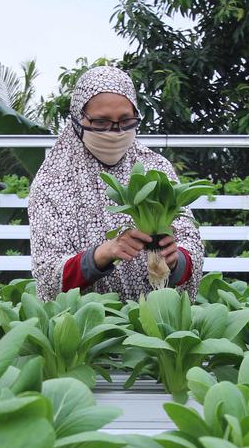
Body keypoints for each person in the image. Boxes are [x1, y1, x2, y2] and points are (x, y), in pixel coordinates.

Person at [29, 66, 203, 301]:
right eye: (100, 122)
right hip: (87, 325)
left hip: (157, 319)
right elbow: (47, 275)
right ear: (77, 119)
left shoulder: (156, 168)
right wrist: (104, 253)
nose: (115, 131)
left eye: (125, 120)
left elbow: (191, 243)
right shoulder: (52, 181)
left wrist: (176, 259)